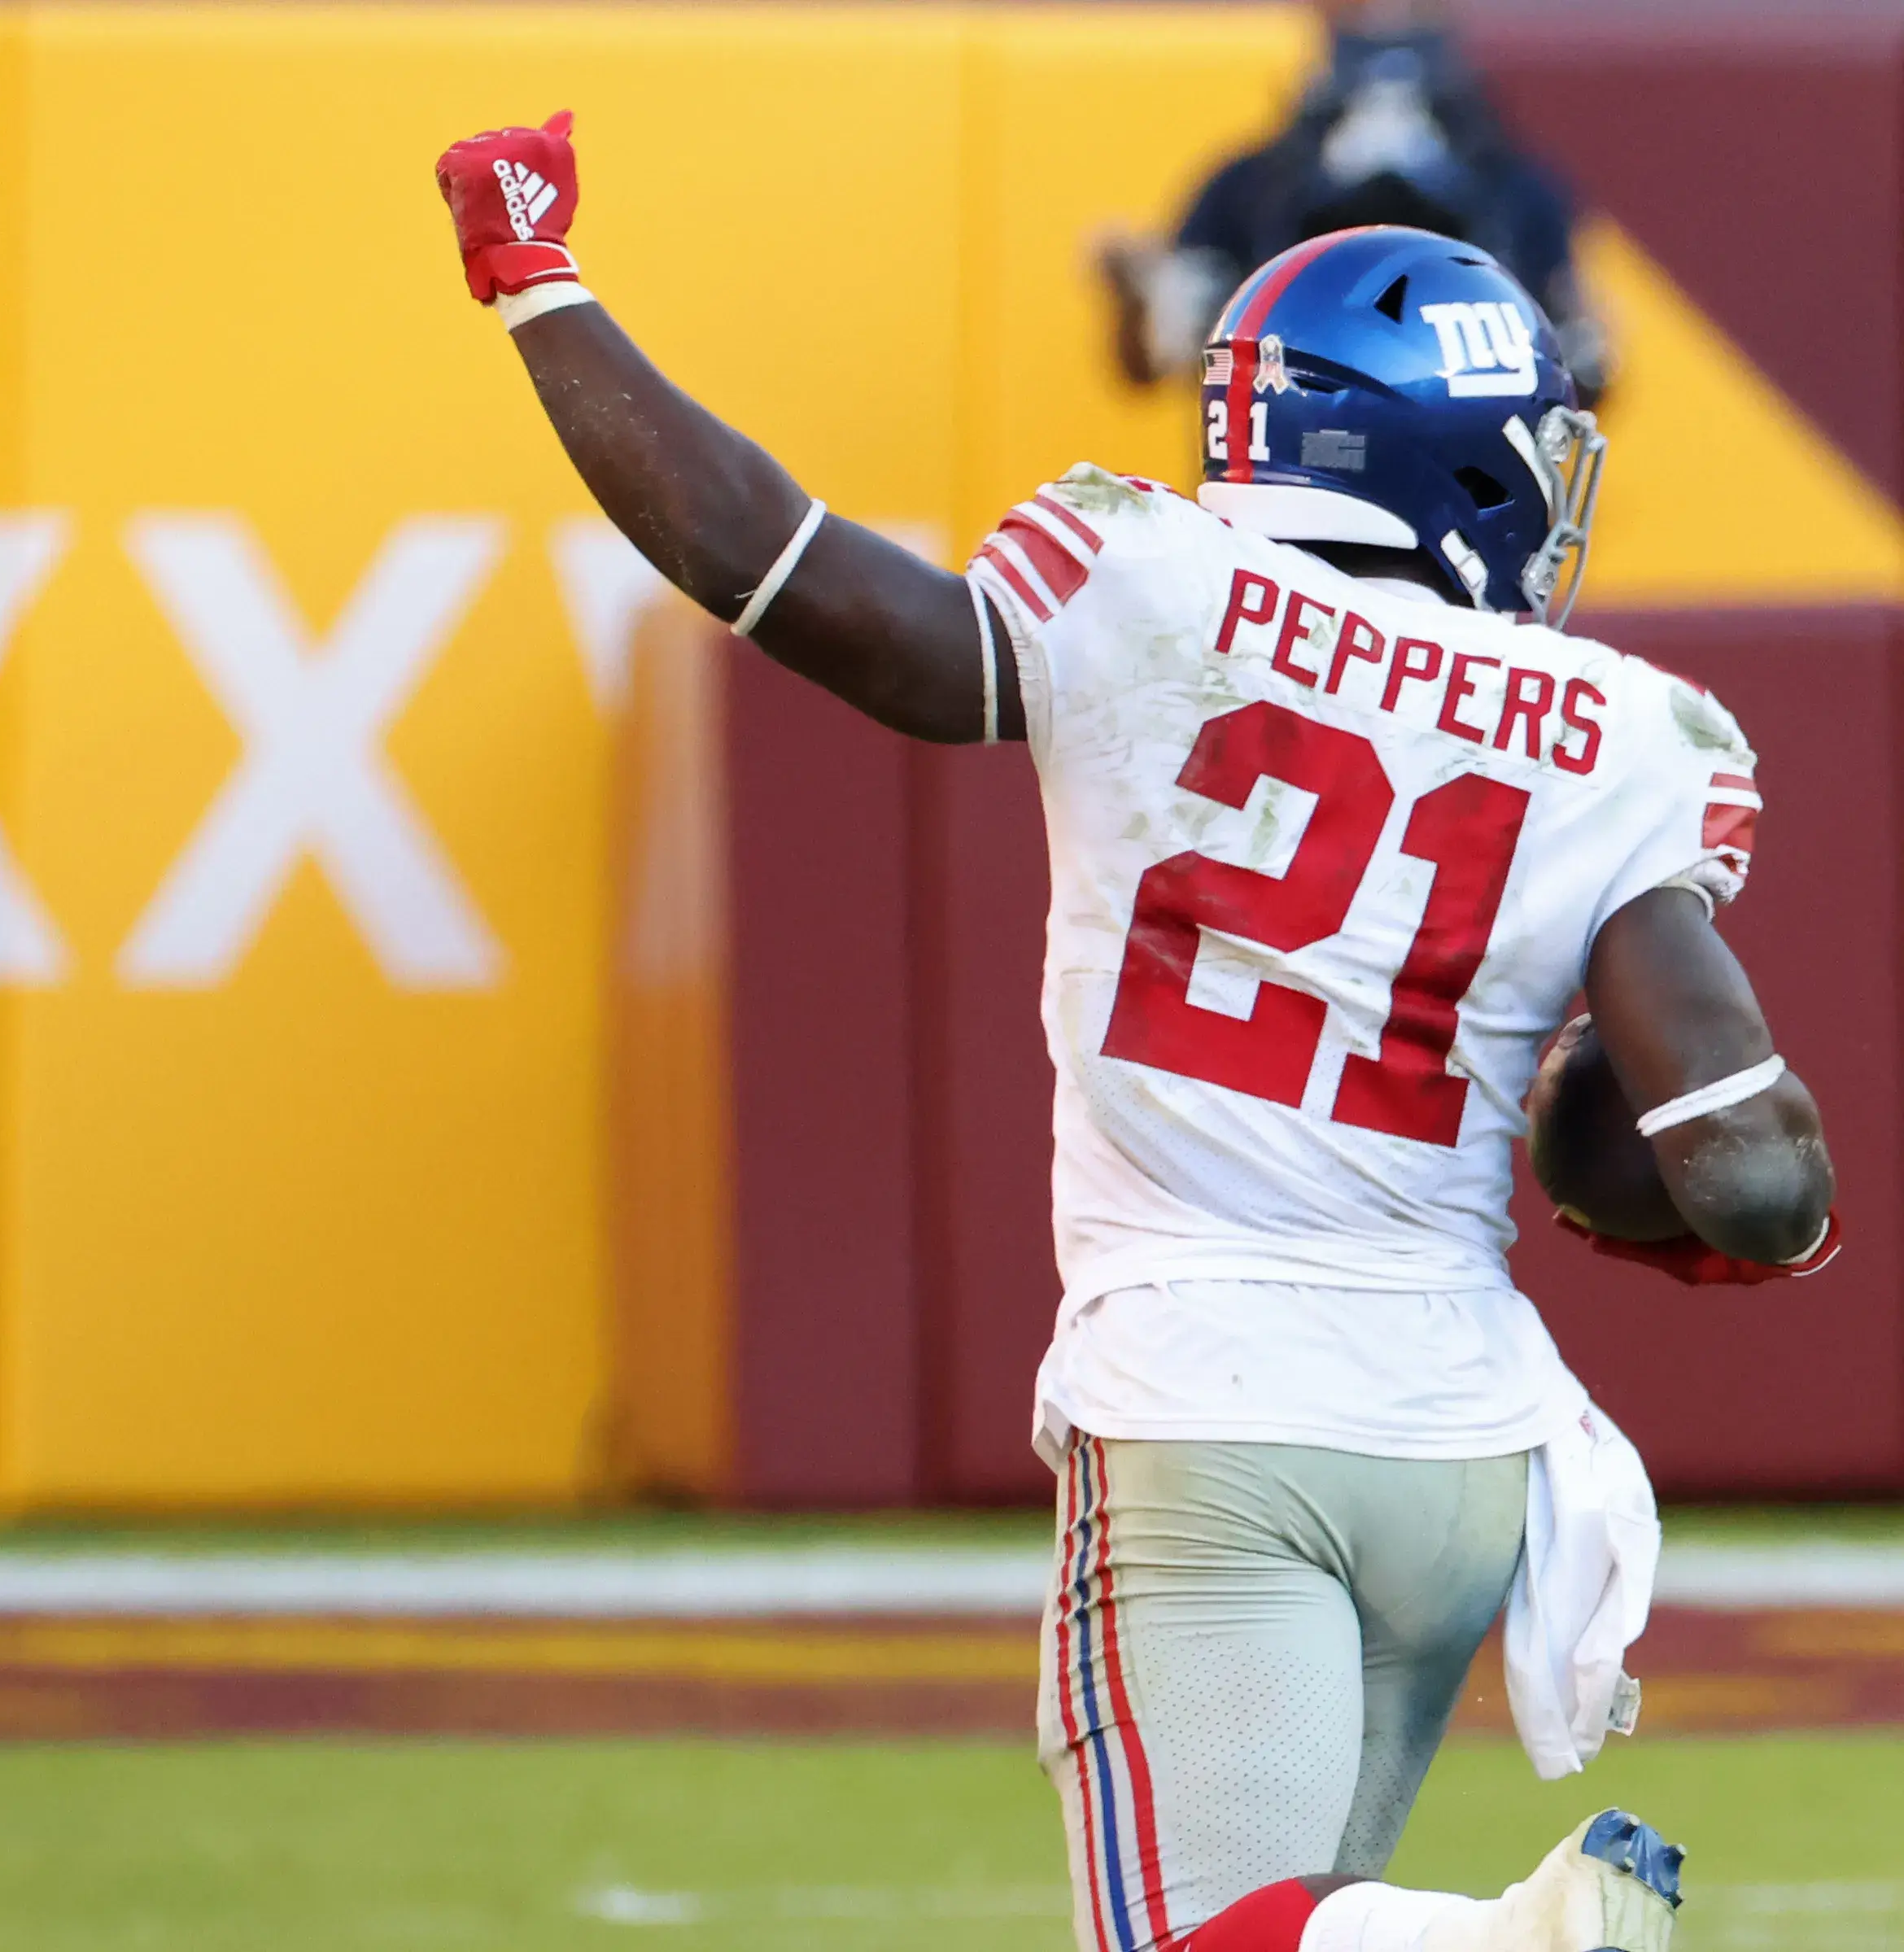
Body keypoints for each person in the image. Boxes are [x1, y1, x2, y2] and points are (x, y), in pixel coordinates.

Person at [434, 114, 1840, 1952]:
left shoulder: (1143, 579)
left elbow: (783, 576)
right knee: (1290, 1924)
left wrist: (535, 286)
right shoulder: (1619, 732)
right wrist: (1689, 1185)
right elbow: (1737, 1164)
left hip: (1204, 1397)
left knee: (1192, 1940)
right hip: (1454, 1442)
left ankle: (1513, 1940)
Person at [1098, 0, 1611, 405]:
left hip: (1456, 490)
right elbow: (1151, 361)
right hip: (1281, 486)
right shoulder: (1247, 187)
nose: (1387, 14)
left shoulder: (1514, 190)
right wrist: (1138, 299)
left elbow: (1586, 376)